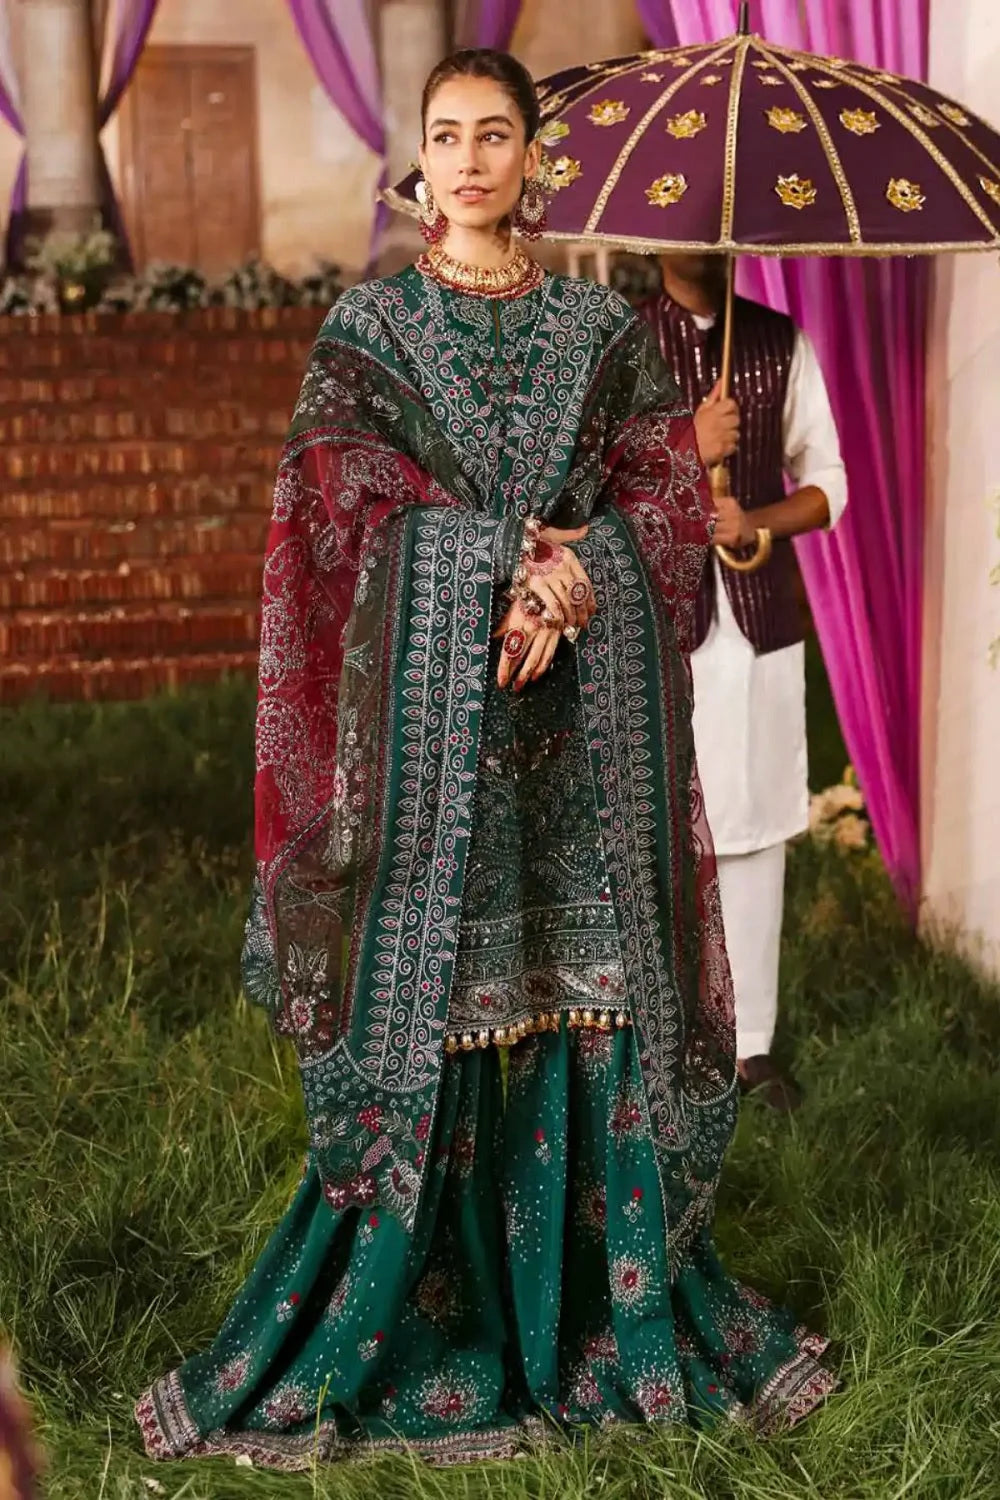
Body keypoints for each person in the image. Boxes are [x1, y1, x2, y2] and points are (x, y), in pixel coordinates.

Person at [135, 50, 835, 1470]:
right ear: (420, 164)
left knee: (592, 999)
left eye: (494, 134)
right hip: (434, 741)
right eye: (445, 136)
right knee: (444, 1011)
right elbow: (327, 522)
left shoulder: (598, 328)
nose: (468, 160)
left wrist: (578, 583)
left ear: (535, 161)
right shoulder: (373, 329)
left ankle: (601, 1309)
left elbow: (663, 505)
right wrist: (494, 562)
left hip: (581, 732)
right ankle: (417, 1316)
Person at [640, 257, 848, 1112]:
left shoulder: (777, 343)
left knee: (757, 828)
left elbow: (829, 486)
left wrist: (750, 519)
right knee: (662, 824)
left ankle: (750, 1042)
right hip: (655, 626)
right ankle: (666, 1031)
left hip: (758, 623)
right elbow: (584, 487)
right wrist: (686, 449)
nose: (698, 239)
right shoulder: (618, 345)